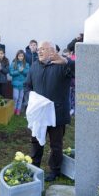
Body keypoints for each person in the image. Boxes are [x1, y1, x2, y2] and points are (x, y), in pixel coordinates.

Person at [26, 41, 74, 182]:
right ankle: (34, 166)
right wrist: (31, 98)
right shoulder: (34, 66)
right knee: (36, 141)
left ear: (52, 51)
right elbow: (27, 85)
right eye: (39, 49)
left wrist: (66, 61)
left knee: (56, 144)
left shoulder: (63, 65)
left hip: (57, 113)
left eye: (43, 49)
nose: (39, 51)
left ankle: (55, 170)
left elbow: (81, 70)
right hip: (39, 113)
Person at [9, 50, 29, 115]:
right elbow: (11, 73)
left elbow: (28, 73)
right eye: (19, 56)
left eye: (22, 56)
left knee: (20, 98)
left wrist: (23, 70)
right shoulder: (13, 63)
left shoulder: (26, 64)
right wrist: (18, 71)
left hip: (23, 84)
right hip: (16, 84)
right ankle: (14, 109)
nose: (21, 57)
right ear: (17, 56)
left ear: (24, 57)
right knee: (15, 97)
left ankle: (18, 110)